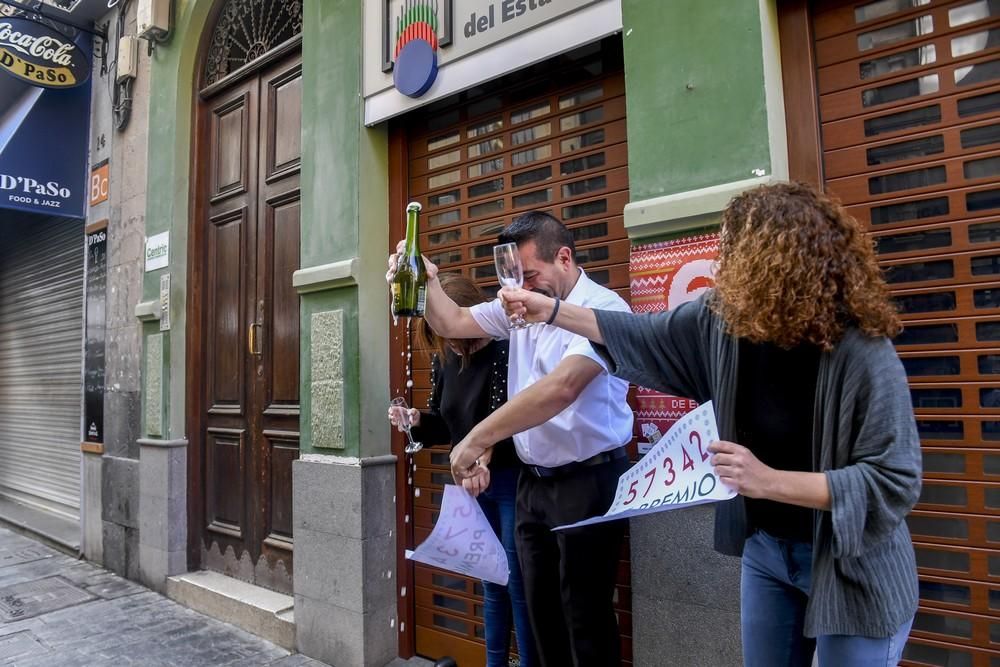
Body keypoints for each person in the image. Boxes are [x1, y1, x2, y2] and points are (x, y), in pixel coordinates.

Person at [480, 182, 922, 667]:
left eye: (731, 248)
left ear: (776, 260)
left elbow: (894, 481)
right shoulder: (723, 323)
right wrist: (555, 311)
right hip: (768, 553)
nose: (720, 261)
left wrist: (768, 480)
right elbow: (639, 334)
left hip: (852, 566)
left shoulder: (862, 351)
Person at [387, 211, 634, 666]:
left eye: (530, 277)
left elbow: (560, 389)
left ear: (564, 258)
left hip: (589, 481)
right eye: (514, 279)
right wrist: (429, 283)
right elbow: (455, 321)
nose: (518, 291)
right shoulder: (518, 309)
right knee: (538, 617)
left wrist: (475, 439)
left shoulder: (605, 310)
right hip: (532, 485)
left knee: (584, 615)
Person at [387, 273, 537, 667]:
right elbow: (445, 421)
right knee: (490, 580)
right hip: (470, 483)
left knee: (517, 580)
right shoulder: (447, 359)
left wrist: (484, 453)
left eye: (451, 332)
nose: (450, 343)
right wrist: (416, 417)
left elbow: (521, 419)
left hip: (510, 479)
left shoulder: (507, 349)